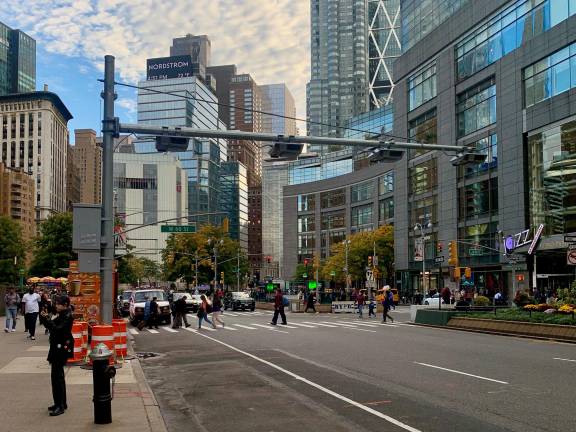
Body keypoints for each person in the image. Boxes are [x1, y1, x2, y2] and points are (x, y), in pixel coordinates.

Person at [41, 295, 73, 416]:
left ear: (65, 305)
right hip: (57, 346)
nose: (56, 305)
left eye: (58, 303)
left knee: (57, 377)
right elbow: (51, 325)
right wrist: (45, 318)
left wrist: (47, 320)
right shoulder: (62, 314)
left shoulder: (67, 316)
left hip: (61, 348)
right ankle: (60, 403)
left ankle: (60, 406)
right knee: (57, 377)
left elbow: (56, 329)